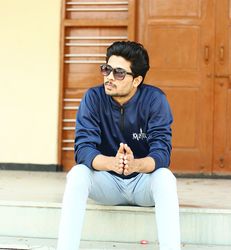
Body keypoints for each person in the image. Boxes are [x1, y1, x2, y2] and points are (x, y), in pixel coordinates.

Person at [57, 41, 181, 250]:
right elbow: (83, 149)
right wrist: (112, 163)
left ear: (137, 80)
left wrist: (135, 165)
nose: (109, 77)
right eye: (106, 69)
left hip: (143, 184)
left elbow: (162, 153)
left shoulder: (155, 100)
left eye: (119, 73)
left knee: (166, 178)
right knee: (78, 173)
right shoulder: (93, 98)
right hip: (108, 183)